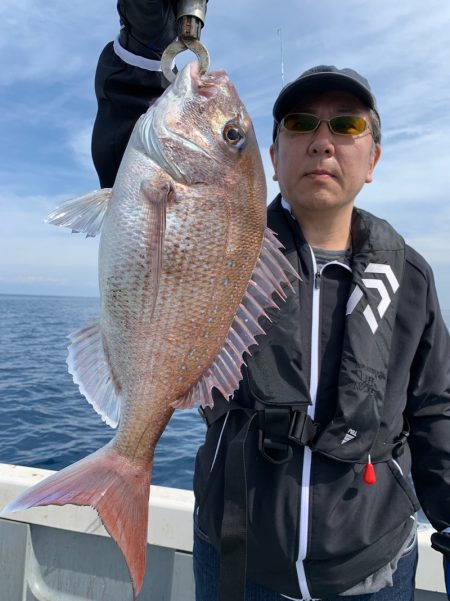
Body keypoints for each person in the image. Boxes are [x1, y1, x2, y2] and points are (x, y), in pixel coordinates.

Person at [91, 2, 450, 600]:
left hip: (375, 573)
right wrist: (143, 39)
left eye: (348, 125)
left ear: (374, 160)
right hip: (238, 563)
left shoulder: (408, 275)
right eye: (302, 123)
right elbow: (129, 163)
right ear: (274, 160)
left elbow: (437, 410)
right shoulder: (227, 246)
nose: (323, 142)